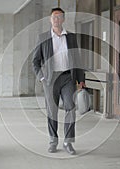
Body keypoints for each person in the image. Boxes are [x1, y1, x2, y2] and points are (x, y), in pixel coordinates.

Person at [32, 7, 85, 155]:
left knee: (70, 107)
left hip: (68, 77)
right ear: (50, 19)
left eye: (60, 17)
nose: (57, 19)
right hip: (50, 79)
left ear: (63, 19)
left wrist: (81, 80)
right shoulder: (43, 38)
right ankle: (53, 141)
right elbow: (35, 62)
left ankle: (68, 142)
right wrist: (42, 78)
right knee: (52, 111)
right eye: (54, 17)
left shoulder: (71, 37)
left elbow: (78, 59)